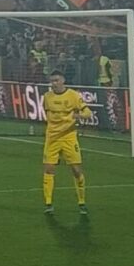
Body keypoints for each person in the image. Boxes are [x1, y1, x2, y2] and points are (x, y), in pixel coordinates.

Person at [41, 70, 90, 218]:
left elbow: (88, 113)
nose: (54, 83)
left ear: (63, 80)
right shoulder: (47, 97)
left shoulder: (73, 96)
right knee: (49, 169)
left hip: (69, 137)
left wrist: (78, 115)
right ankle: (48, 203)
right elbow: (46, 112)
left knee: (76, 170)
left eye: (56, 80)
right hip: (52, 138)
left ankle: (82, 202)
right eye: (52, 81)